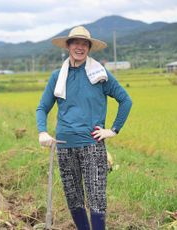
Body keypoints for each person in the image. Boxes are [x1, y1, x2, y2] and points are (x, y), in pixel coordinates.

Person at [36, 26, 132, 230]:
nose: (79, 47)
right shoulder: (57, 76)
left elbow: (125, 100)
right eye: (75, 43)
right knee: (73, 197)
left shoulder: (100, 75)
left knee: (96, 198)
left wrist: (113, 130)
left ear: (88, 47)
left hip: (92, 145)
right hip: (64, 145)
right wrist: (42, 131)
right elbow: (42, 107)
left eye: (84, 44)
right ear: (68, 46)